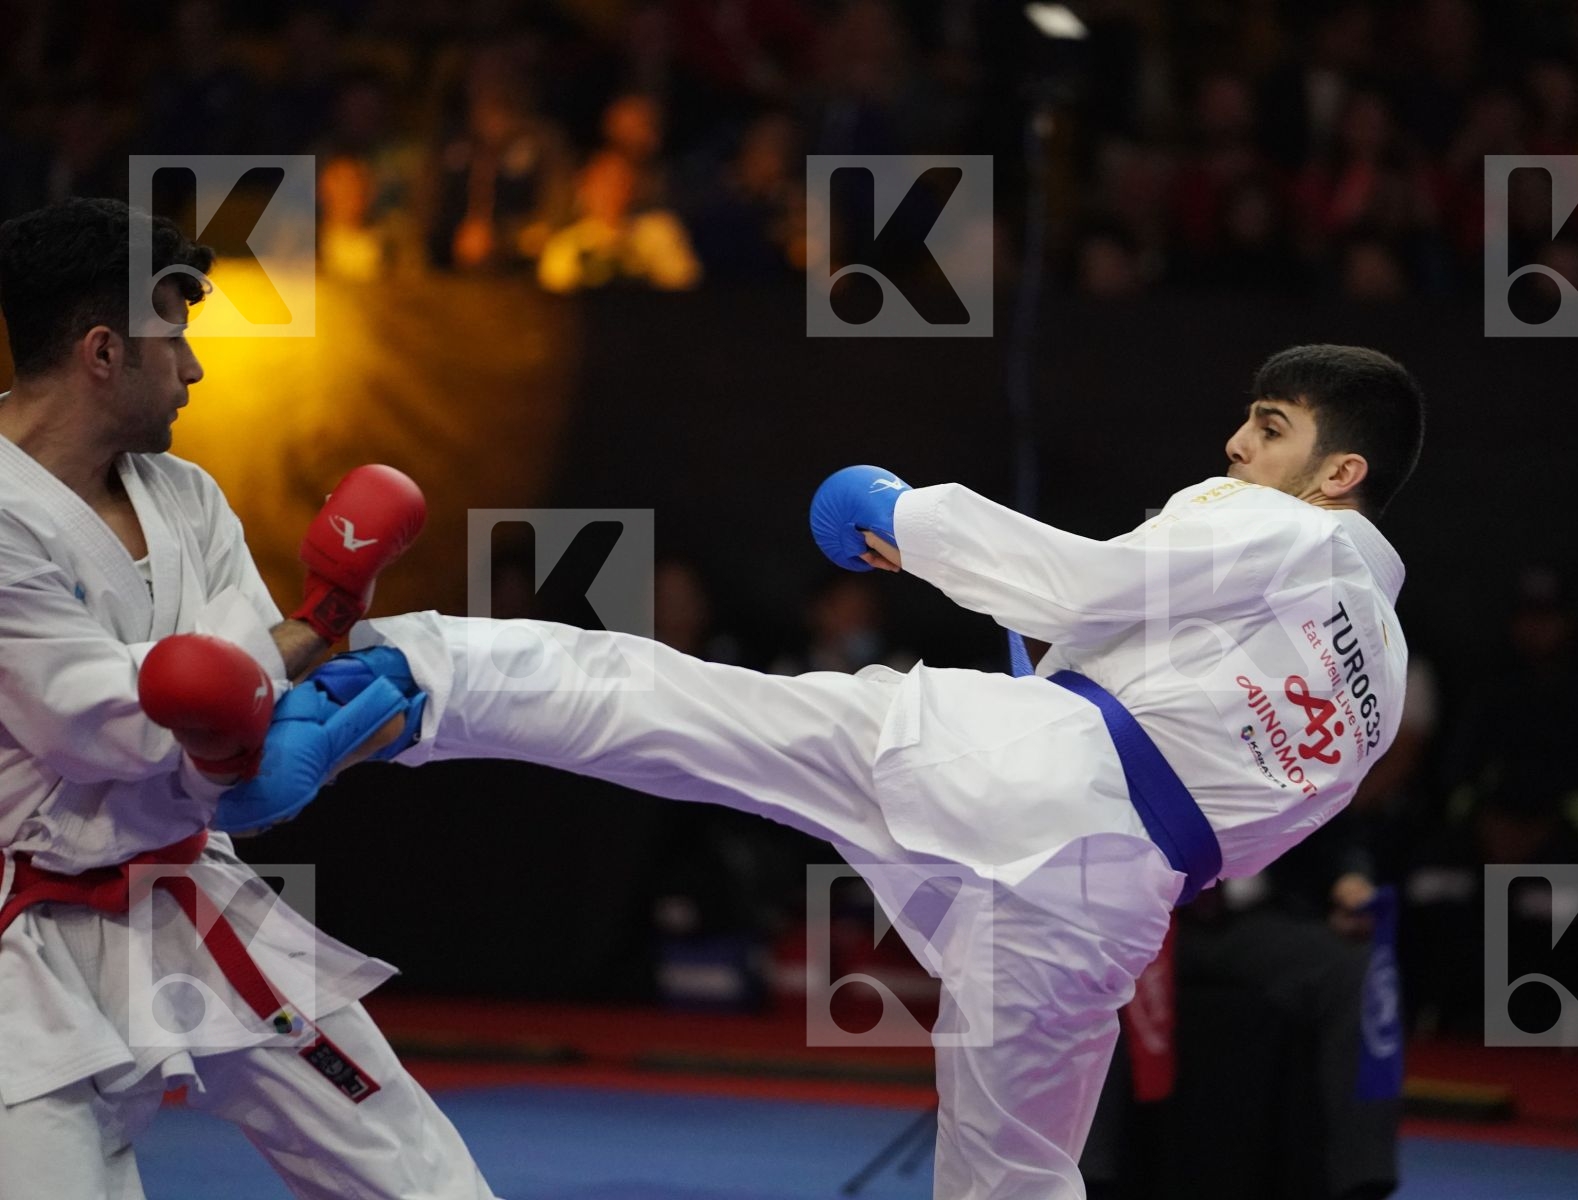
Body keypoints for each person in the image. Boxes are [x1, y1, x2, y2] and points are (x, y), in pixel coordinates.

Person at [200, 344, 1425, 1199]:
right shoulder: (1378, 677)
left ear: (1341, 474)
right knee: (1019, 1176)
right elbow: (1197, 749)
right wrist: (1060, 667)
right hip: (1109, 907)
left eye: (1271, 427)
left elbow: (1084, 586)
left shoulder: (1284, 525)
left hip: (1010, 771)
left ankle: (411, 682)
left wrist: (905, 515)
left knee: (682, 711)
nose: (1237, 442)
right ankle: (407, 690)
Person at [0, 198, 500, 1199]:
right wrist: (320, 619)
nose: (193, 370)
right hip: (29, 940)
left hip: (189, 888)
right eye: (174, 341)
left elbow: (252, 700)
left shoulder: (187, 497)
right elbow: (108, 724)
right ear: (104, 352)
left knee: (414, 1169)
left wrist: (284, 715)